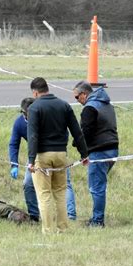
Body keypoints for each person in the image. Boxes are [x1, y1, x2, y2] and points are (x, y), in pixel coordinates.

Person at [27, 77, 88, 234]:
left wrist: (31, 160)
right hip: (61, 154)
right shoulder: (64, 105)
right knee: (60, 192)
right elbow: (77, 132)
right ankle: (63, 228)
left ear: (35, 92)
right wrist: (84, 154)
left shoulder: (34, 108)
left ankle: (48, 230)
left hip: (43, 156)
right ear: (47, 88)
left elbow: (33, 136)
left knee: (44, 194)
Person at [9, 97, 78, 221]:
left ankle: (70, 215)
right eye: (25, 114)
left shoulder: (48, 118)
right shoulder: (19, 123)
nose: (28, 116)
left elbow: (65, 131)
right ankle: (34, 215)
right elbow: (14, 144)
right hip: (35, 157)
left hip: (56, 152)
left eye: (30, 113)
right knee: (28, 184)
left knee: (64, 184)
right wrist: (14, 164)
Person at [73, 81, 119, 228]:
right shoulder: (107, 104)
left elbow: (85, 132)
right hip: (113, 149)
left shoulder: (89, 108)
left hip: (99, 151)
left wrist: (77, 145)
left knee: (97, 187)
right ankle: (97, 217)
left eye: (76, 97)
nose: (76, 100)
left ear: (84, 94)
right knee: (99, 185)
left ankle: (97, 221)